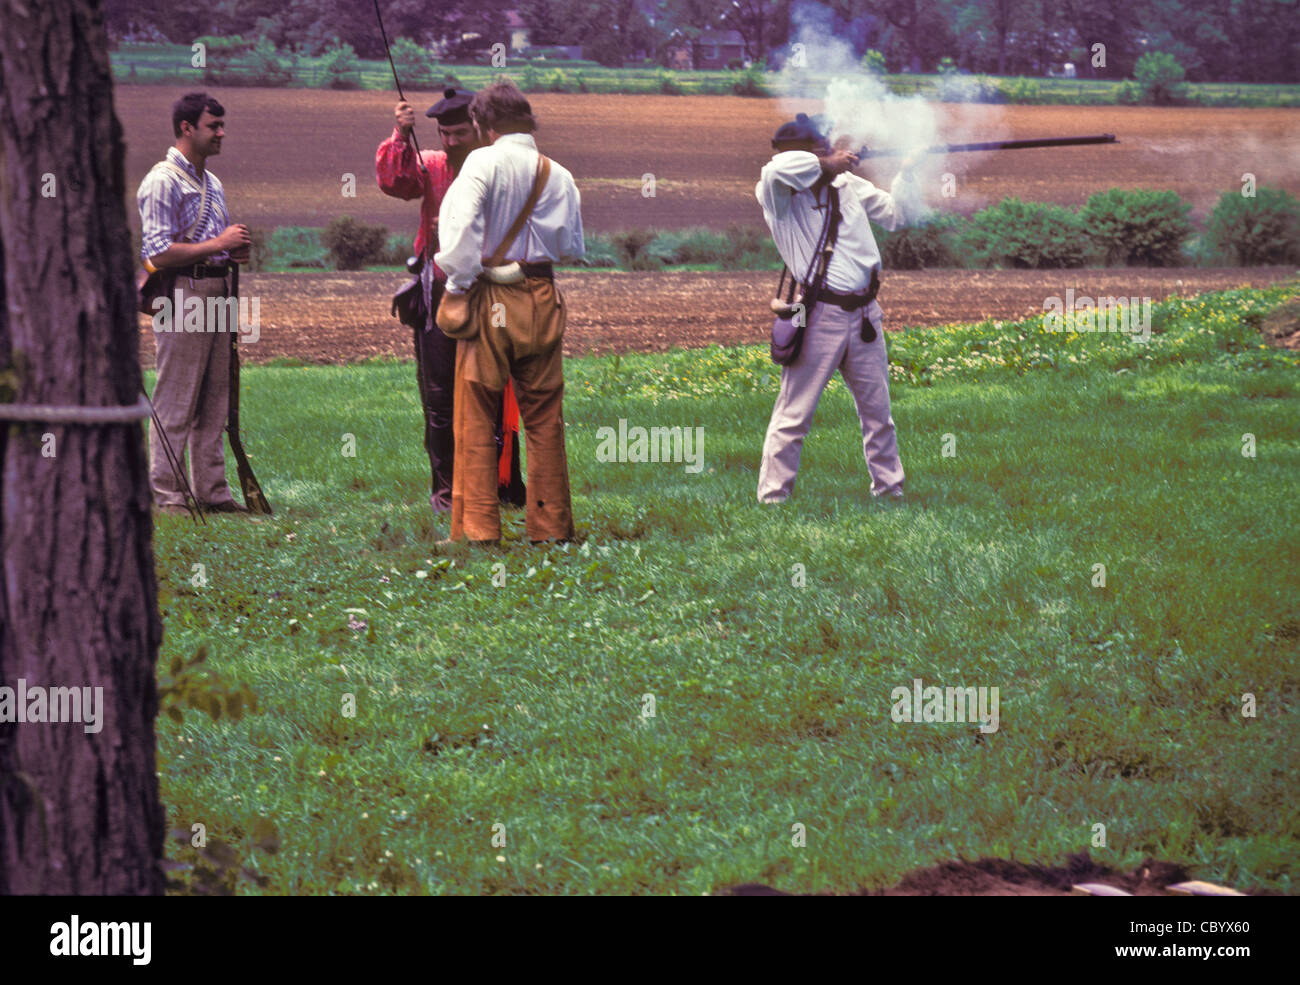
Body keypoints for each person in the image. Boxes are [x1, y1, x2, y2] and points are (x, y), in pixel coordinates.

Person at [434, 79, 584, 544]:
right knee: (544, 416)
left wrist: (459, 286)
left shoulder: (481, 162)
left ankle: (478, 530)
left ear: (484, 123)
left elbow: (458, 234)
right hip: (542, 295)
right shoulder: (557, 173)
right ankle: (552, 526)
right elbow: (570, 246)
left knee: (477, 412)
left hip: (490, 298)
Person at [755, 113, 925, 505]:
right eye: (822, 150)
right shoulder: (777, 190)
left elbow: (898, 215)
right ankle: (773, 499)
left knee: (878, 413)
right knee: (794, 416)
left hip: (865, 312)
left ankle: (890, 490)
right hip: (818, 314)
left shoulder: (847, 185)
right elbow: (777, 170)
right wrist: (825, 161)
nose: (832, 154)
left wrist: (909, 171)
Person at [375, 87, 525, 515]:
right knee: (439, 400)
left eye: (459, 133)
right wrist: (400, 136)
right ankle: (446, 492)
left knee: (496, 394)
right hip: (438, 293)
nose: (451, 142)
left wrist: (464, 224)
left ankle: (502, 484)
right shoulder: (433, 165)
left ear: (478, 129)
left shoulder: (500, 170)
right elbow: (394, 182)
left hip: (491, 290)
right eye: (443, 134)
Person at [137, 92, 251, 514]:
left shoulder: (212, 182)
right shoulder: (161, 180)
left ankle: (212, 492)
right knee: (176, 398)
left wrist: (231, 252)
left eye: (222, 125)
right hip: (181, 292)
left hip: (216, 289)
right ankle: (167, 496)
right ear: (187, 128)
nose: (221, 133)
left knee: (214, 396)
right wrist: (218, 243)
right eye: (213, 126)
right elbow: (157, 254)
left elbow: (208, 245)